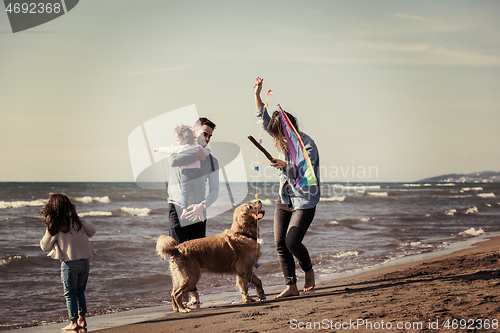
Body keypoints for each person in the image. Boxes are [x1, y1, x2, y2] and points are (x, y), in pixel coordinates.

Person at [254, 77, 320, 299]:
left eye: (280, 133)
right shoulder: (281, 137)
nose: (277, 137)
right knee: (280, 243)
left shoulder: (306, 145)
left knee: (292, 241)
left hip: (304, 200)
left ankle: (308, 270)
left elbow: (303, 173)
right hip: (285, 199)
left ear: (289, 129)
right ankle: (291, 286)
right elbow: (263, 120)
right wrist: (257, 96)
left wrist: (284, 165)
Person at [165, 117, 219, 307]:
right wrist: (196, 156)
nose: (207, 138)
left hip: (198, 210)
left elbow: (214, 190)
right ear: (193, 132)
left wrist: (202, 206)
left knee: (195, 255)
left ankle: (191, 292)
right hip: (177, 207)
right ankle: (184, 295)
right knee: (179, 252)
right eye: (204, 133)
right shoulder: (177, 151)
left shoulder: (212, 160)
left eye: (210, 135)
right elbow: (172, 162)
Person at [39, 194, 96, 331]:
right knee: (80, 292)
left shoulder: (56, 225)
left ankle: (73, 323)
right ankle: (82, 320)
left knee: (70, 294)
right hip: (85, 263)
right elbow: (92, 231)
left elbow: (44, 246)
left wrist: (50, 228)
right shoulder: (77, 221)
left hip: (70, 264)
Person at [155, 125, 210, 220]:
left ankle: (184, 210)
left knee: (185, 193)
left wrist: (159, 149)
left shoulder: (181, 148)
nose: (176, 143)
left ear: (185, 140)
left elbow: (170, 150)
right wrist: (207, 151)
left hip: (186, 175)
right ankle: (200, 213)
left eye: (177, 140)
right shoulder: (196, 146)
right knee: (199, 194)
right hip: (197, 174)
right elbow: (205, 152)